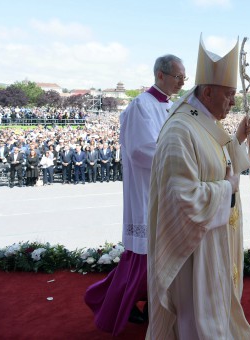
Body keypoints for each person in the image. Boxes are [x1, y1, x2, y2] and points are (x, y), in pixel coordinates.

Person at [147, 36, 250, 339]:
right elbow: (182, 197)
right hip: (195, 253)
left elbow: (217, 161)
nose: (232, 102)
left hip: (215, 241)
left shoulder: (206, 121)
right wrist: (227, 189)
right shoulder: (180, 130)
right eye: (228, 95)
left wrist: (238, 140)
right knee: (198, 322)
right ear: (207, 92)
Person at [84, 54, 186, 336]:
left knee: (157, 261)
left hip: (169, 193)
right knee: (143, 262)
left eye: (184, 78)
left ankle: (155, 308)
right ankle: (113, 303)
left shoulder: (174, 106)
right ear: (160, 75)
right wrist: (183, 161)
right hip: (146, 193)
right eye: (177, 77)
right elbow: (142, 150)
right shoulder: (141, 106)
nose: (182, 82)